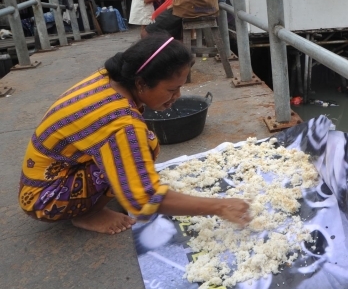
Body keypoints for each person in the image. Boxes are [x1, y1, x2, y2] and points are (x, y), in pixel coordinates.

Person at [18, 35, 251, 234]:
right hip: (44, 196)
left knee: (138, 147)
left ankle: (96, 193)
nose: (177, 96)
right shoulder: (122, 124)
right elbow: (145, 199)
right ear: (141, 84)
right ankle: (88, 214)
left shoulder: (110, 78)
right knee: (142, 146)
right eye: (171, 89)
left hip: (48, 172)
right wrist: (219, 207)